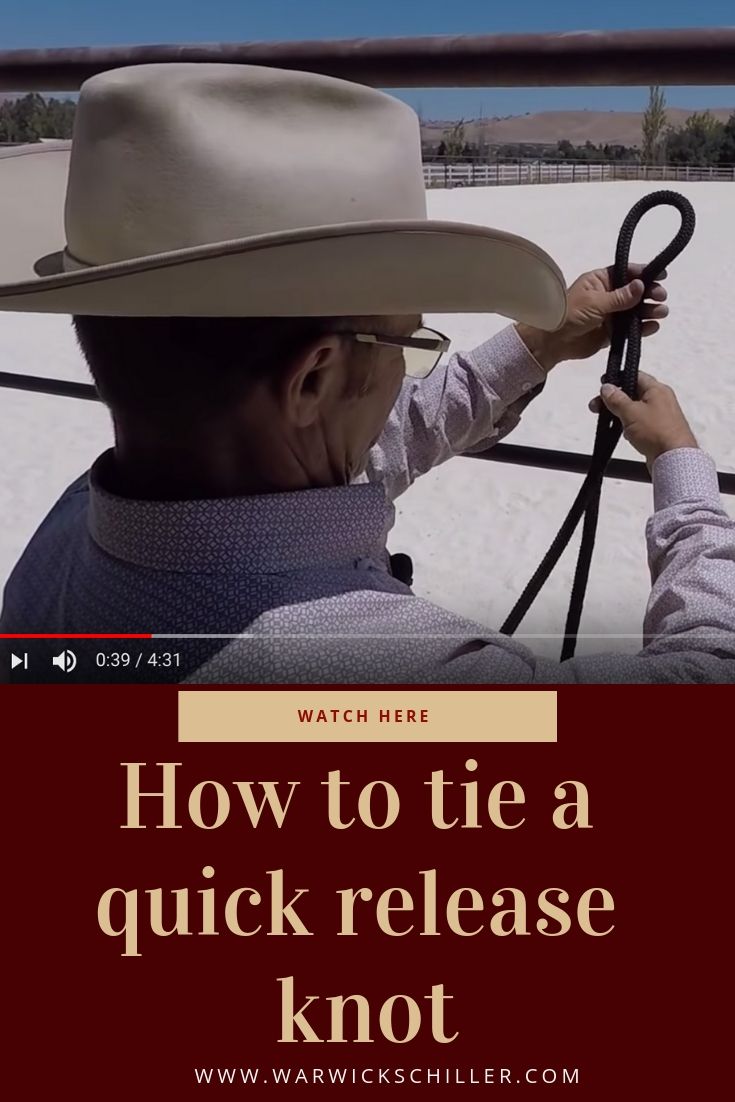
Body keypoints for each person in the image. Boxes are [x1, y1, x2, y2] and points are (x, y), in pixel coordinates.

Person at [0, 63, 732, 684]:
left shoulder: (67, 539)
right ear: (313, 379)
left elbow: (355, 440)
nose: (400, 382)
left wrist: (539, 345)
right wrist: (681, 471)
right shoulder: (394, 672)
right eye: (406, 345)